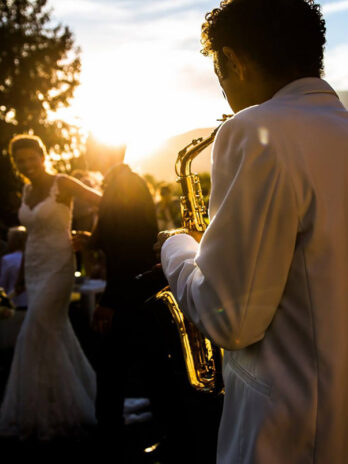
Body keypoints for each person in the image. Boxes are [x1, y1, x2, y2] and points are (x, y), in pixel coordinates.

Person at [156, 1, 348, 463]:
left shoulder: (255, 130)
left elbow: (231, 319)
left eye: (219, 74)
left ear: (233, 61)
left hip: (287, 432)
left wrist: (177, 248)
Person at [0, 134, 102, 440]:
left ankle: (40, 410)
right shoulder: (27, 189)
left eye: (32, 157)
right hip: (33, 268)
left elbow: (104, 203)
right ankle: (56, 402)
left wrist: (93, 238)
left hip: (59, 265)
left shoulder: (63, 183)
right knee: (53, 332)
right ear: (15, 164)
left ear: (43, 156)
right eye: (20, 160)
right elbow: (31, 235)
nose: (27, 164)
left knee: (34, 328)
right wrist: (19, 277)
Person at [74, 148, 159, 457]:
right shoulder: (120, 183)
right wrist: (89, 239)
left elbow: (132, 247)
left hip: (131, 292)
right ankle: (119, 435)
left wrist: (109, 301)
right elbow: (115, 235)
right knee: (140, 367)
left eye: (88, 149)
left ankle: (110, 440)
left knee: (117, 368)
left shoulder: (126, 185)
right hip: (131, 291)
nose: (85, 156)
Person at [0, 226, 27, 309]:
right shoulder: (31, 258)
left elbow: (2, 284)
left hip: (13, 302)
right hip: (31, 302)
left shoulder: (7, 259)